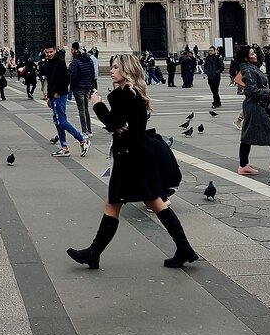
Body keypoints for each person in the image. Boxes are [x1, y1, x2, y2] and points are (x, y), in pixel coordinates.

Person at [66, 54, 198, 271]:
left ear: (127, 70)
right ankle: (183, 249)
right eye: (112, 66)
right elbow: (119, 124)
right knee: (148, 202)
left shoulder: (125, 95)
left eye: (116, 67)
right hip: (136, 154)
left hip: (131, 157)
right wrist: (118, 125)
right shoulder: (130, 94)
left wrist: (97, 105)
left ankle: (94, 253)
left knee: (129, 202)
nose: (112, 70)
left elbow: (112, 123)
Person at [236, 46, 270, 178]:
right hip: (255, 107)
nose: (255, 55)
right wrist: (267, 93)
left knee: (247, 136)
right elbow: (250, 91)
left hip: (254, 107)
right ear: (246, 57)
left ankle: (243, 165)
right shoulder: (248, 70)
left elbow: (261, 58)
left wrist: (256, 48)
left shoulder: (252, 66)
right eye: (252, 53)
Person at [41, 44, 88, 157]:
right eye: (47, 52)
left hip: (59, 95)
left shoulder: (60, 62)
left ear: (55, 50)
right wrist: (49, 96)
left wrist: (58, 92)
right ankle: (64, 147)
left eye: (51, 52)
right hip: (53, 96)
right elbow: (50, 81)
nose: (49, 54)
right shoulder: (48, 63)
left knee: (62, 121)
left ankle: (82, 140)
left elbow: (66, 79)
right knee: (57, 121)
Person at [68, 43, 96, 139]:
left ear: (75, 50)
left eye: (72, 49)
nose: (71, 51)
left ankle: (84, 131)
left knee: (81, 109)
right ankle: (89, 130)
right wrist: (91, 85)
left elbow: (73, 76)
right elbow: (93, 74)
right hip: (87, 86)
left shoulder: (75, 61)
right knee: (86, 108)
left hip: (78, 87)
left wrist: (72, 87)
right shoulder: (89, 60)